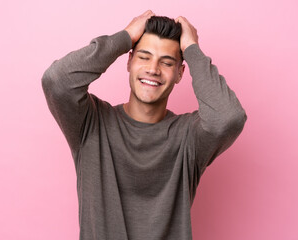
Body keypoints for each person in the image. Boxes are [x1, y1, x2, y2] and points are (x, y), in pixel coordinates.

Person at [42, 10, 246, 240]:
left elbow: (228, 117)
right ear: (128, 61)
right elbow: (56, 80)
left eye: (167, 62)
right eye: (144, 57)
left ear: (180, 72)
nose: (153, 69)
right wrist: (125, 37)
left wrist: (192, 49)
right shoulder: (90, 123)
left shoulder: (189, 138)